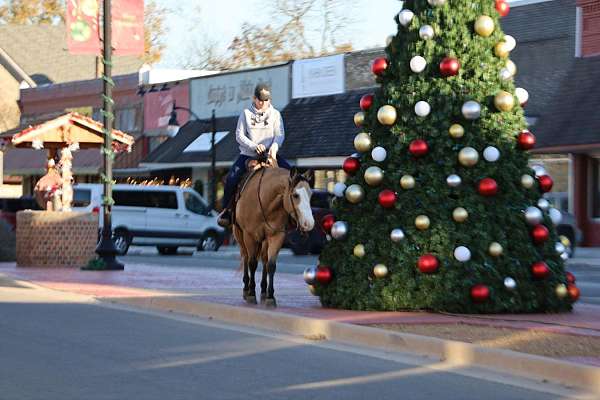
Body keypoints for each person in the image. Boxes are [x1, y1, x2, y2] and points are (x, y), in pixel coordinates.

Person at [217, 83, 291, 227]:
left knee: (292, 175)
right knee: (232, 179)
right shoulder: (245, 114)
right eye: (260, 100)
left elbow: (280, 134)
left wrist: (274, 148)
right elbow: (239, 135)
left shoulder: (275, 114)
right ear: (254, 98)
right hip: (248, 155)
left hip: (270, 155)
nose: (263, 103)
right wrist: (254, 146)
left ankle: (291, 214)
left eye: (266, 100)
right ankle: (227, 211)